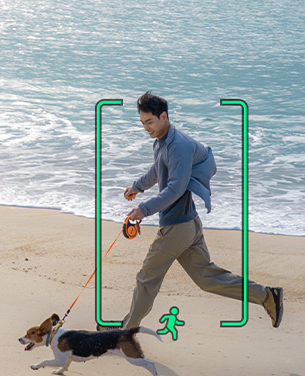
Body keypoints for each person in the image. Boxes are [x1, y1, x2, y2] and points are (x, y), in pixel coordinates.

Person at [116, 91, 283, 331]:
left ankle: (124, 334)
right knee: (208, 278)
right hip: (187, 225)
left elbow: (176, 188)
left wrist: (143, 210)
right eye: (142, 123)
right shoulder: (162, 142)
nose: (146, 128)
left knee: (146, 279)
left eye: (149, 122)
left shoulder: (179, 145)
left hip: (176, 227)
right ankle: (266, 296)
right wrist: (138, 186)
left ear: (164, 116)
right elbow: (157, 169)